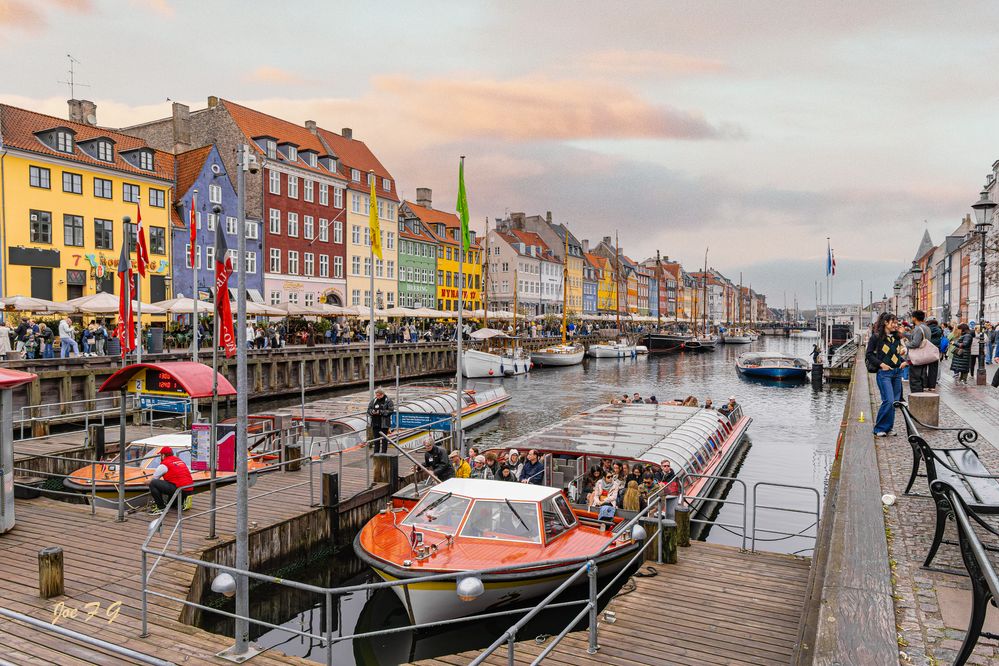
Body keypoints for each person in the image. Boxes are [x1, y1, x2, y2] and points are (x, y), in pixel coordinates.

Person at [866, 312, 909, 437]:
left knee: (894, 402)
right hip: (884, 373)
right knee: (888, 400)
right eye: (894, 322)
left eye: (896, 323)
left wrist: (903, 362)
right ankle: (879, 428)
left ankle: (888, 427)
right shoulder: (876, 337)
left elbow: (894, 355)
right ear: (886, 322)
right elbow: (869, 354)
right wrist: (881, 365)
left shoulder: (896, 338)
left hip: (896, 372)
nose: (896, 325)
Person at [149, 446, 194, 514]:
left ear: (163, 455)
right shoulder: (179, 460)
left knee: (153, 483)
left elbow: (153, 479)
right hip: (188, 490)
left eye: (161, 455)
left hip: (179, 490)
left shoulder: (164, 464)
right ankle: (181, 503)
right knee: (171, 505)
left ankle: (161, 508)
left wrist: (145, 481)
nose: (161, 457)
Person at [906, 310, 932, 394]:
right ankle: (920, 396)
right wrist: (904, 334)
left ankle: (916, 397)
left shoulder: (918, 328)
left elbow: (915, 343)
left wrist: (905, 344)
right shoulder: (926, 328)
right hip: (924, 356)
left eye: (912, 317)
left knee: (915, 380)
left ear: (914, 318)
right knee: (921, 378)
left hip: (916, 357)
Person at [366, 388, 395, 455]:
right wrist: (372, 412)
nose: (377, 397)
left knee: (384, 439)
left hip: (384, 424)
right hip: (375, 423)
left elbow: (391, 411)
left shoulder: (388, 401)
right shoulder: (374, 400)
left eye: (379, 395)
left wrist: (380, 412)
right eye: (376, 395)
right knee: (376, 439)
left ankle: (383, 453)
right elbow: (368, 409)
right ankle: (376, 452)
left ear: (383, 394)